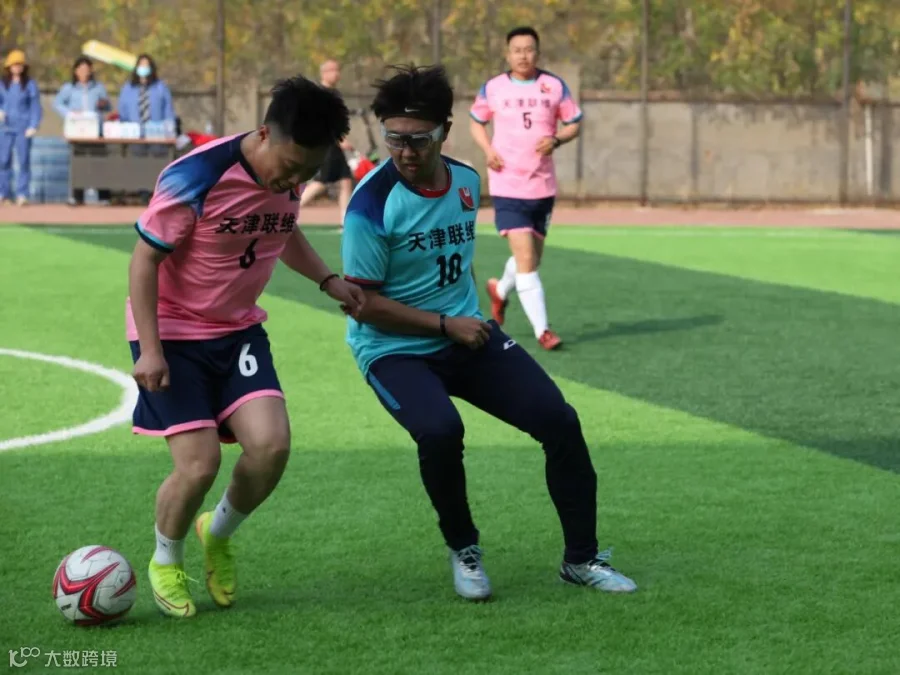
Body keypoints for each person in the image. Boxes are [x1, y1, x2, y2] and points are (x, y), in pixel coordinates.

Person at [341, 64, 636, 602]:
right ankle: (464, 549)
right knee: (440, 432)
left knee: (560, 422)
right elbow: (363, 306)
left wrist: (464, 318)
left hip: (468, 334)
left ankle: (581, 559)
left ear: (445, 132)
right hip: (393, 349)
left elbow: (456, 262)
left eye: (419, 139)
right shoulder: (369, 206)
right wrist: (443, 324)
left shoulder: (467, 182)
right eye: (394, 138)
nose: (405, 151)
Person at [127, 75, 366, 618]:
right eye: (291, 167)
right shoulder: (198, 174)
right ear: (264, 133)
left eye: (309, 172)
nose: (296, 180)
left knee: (272, 447)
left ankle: (217, 532)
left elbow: (281, 228)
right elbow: (144, 259)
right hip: (173, 331)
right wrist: (150, 348)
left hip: (236, 330)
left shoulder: (290, 172)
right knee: (199, 465)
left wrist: (328, 280)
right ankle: (166, 558)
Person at [469, 26, 583, 350]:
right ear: (508, 54)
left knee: (530, 260)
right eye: (517, 50)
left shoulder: (553, 86)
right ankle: (543, 331)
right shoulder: (494, 87)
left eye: (529, 49)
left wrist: (557, 139)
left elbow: (574, 122)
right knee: (526, 258)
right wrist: (488, 150)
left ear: (538, 52)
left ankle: (499, 290)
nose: (523, 55)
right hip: (507, 183)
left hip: (542, 185)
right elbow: (476, 121)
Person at [298, 59, 354, 223]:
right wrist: (339, 139)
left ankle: (345, 221)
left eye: (338, 70)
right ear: (324, 73)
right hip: (325, 145)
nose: (337, 74)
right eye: (333, 70)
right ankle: (290, 211)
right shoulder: (320, 94)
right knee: (321, 182)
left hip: (334, 144)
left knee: (345, 181)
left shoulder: (334, 93)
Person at [53, 56, 112, 205]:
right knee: (78, 164)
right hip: (77, 131)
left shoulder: (98, 88)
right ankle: (77, 196)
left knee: (99, 163)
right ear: (75, 71)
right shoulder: (69, 88)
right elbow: (57, 103)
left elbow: (108, 106)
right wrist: (70, 113)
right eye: (81, 69)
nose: (84, 72)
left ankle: (103, 196)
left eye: (87, 69)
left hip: (95, 131)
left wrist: (104, 104)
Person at [0, 49, 42, 206]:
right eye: (14, 64)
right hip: (5, 128)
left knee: (23, 161)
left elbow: (35, 106)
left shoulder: (30, 85)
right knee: (3, 160)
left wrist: (33, 125)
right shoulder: (3, 84)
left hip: (23, 128)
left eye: (19, 64)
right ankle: (4, 193)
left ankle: (22, 194)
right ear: (9, 67)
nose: (17, 67)